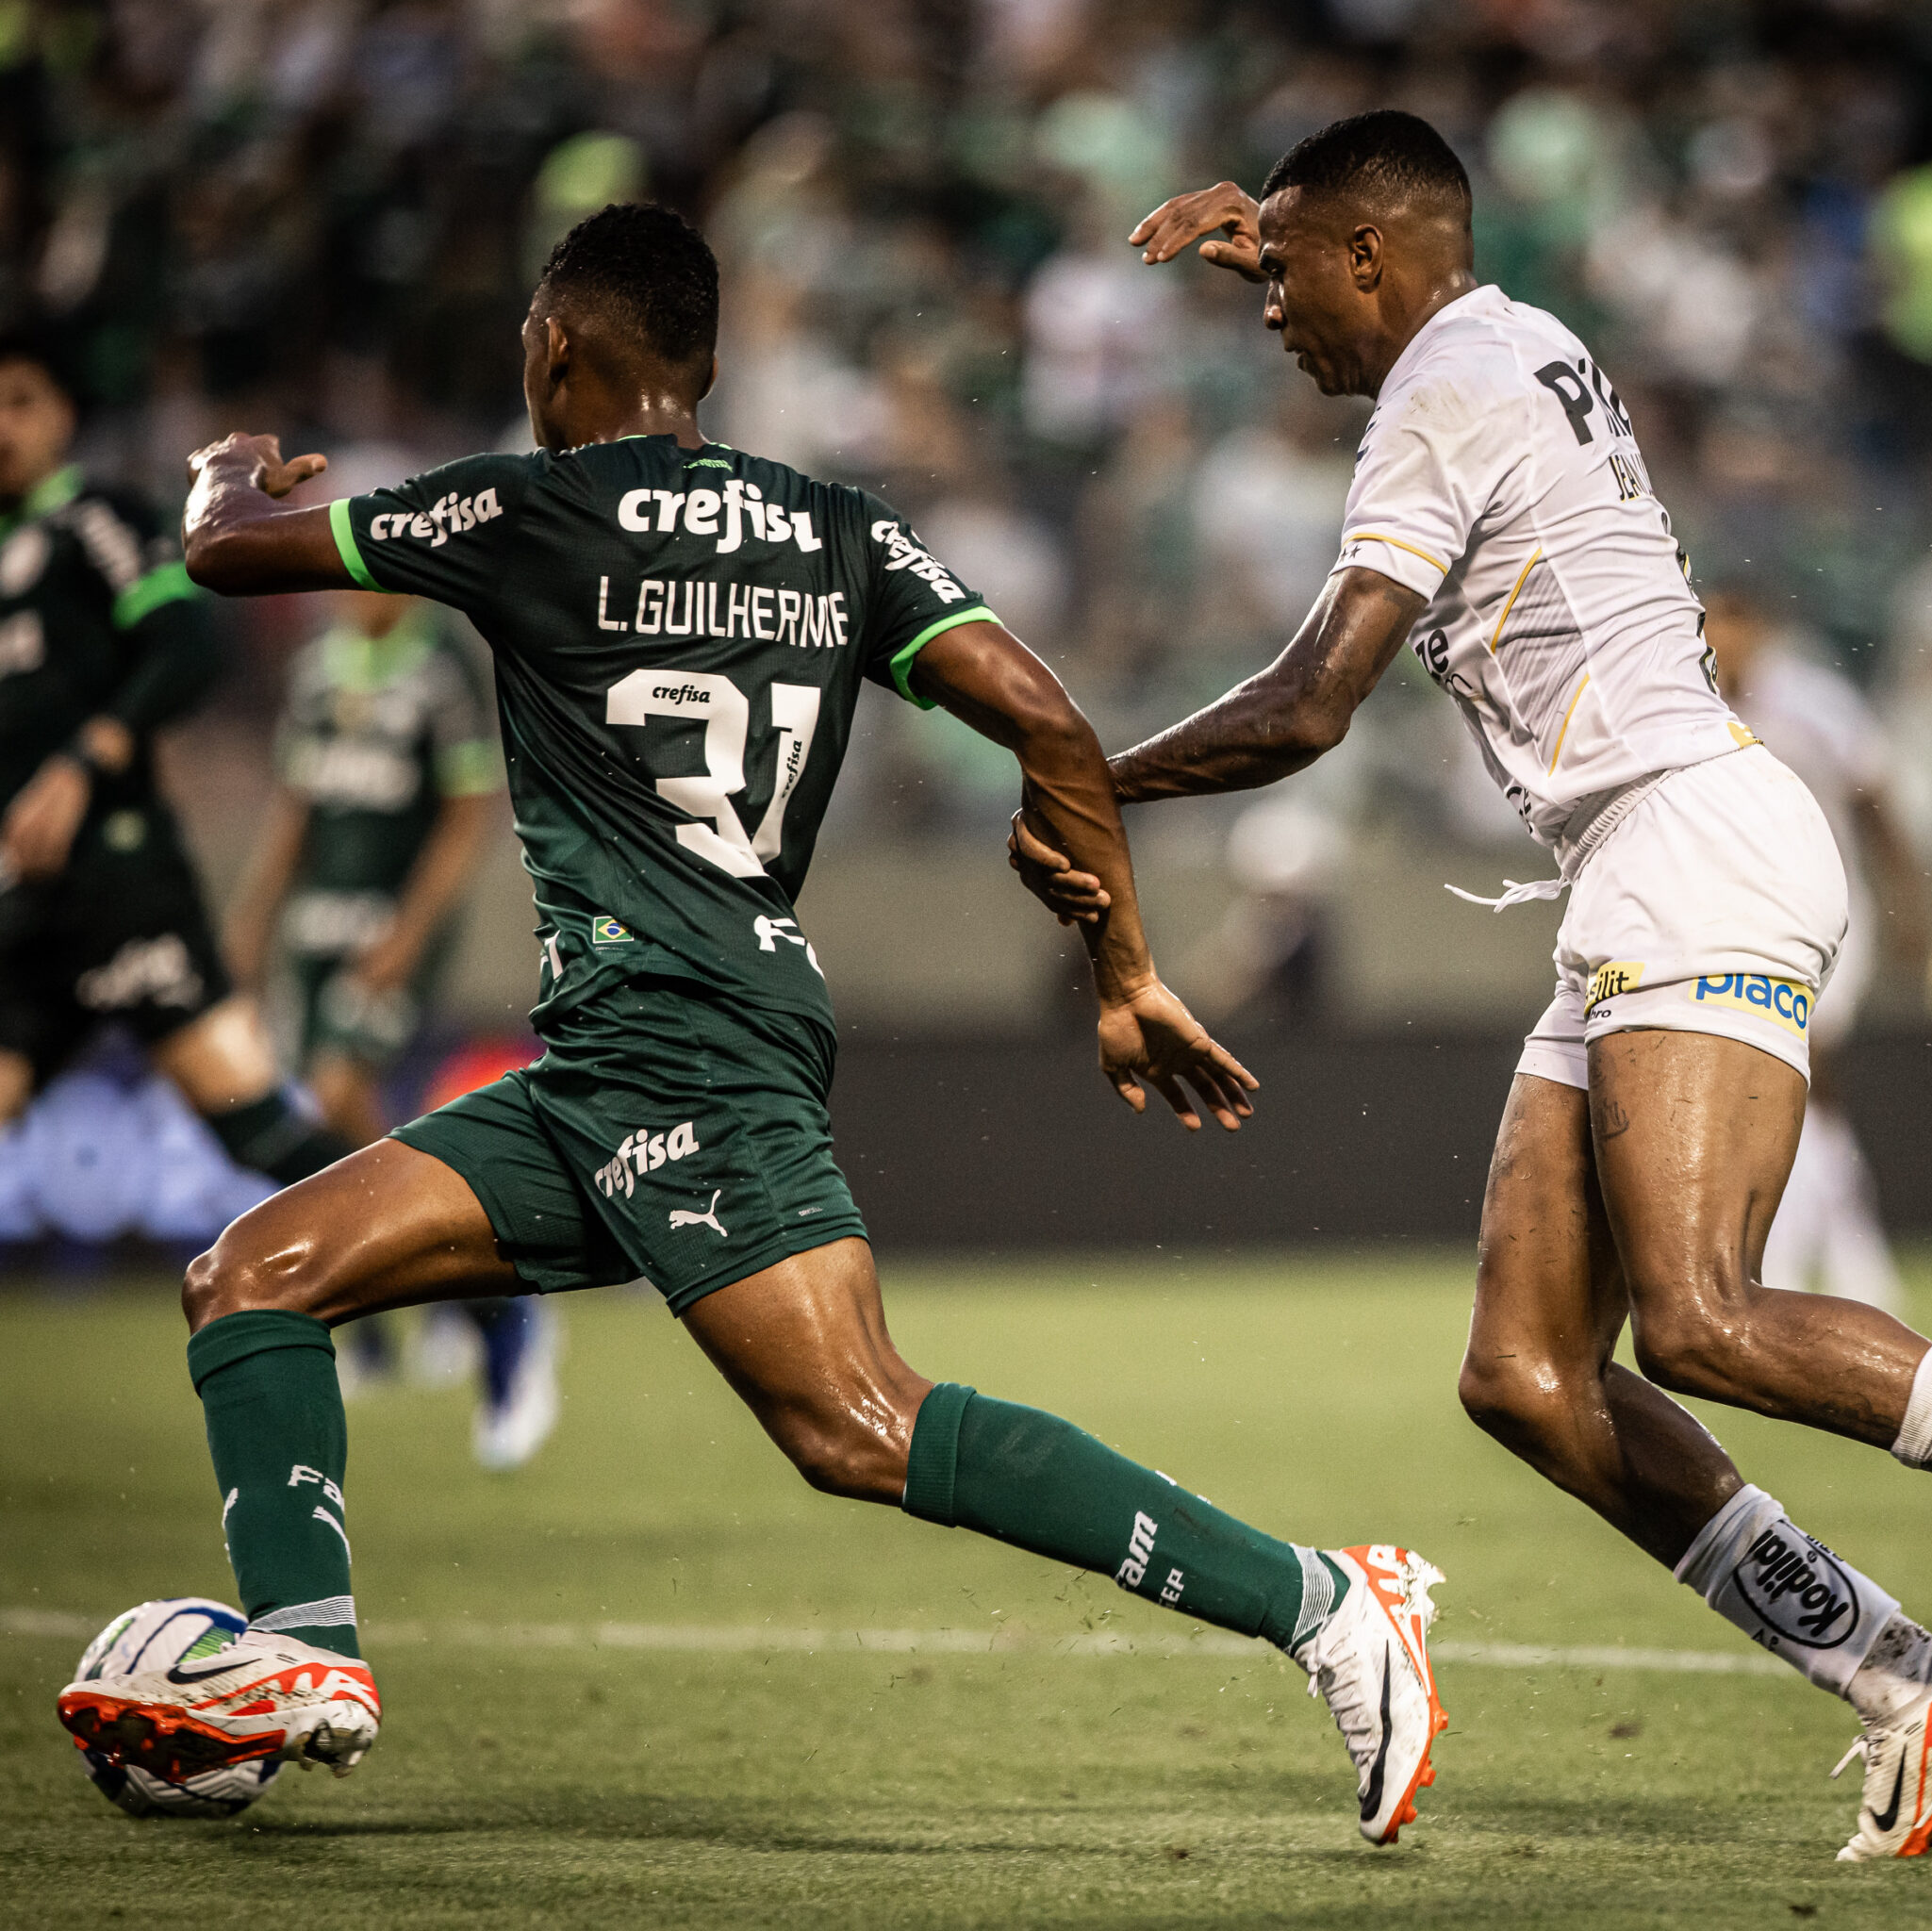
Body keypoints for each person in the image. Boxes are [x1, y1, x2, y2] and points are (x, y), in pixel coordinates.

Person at [56, 204, 1448, 1849]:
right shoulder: (838, 529)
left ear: (555, 352)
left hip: (690, 1042)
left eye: (528, 349)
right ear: (704, 369)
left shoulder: (523, 505)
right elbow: (1051, 721)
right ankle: (309, 1654)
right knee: (256, 1272)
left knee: (855, 1417)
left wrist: (231, 472)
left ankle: (1325, 1600)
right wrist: (1125, 968)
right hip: (618, 1056)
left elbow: (220, 553)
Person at [1011, 111, 1932, 1860]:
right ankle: (1901, 1676)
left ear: (1374, 260)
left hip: (1691, 839)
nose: (1266, 312)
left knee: (1700, 1314)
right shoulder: (1508, 330)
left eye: (1293, 274)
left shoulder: (1437, 391)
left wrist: (1084, 770)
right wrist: (1285, 239)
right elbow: (1391, 270)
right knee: (1529, 1371)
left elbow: (1313, 701)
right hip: (1640, 858)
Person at [0, 336, 352, 1196]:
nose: (0, 426)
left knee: (258, 1130)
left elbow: (189, 642)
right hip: (24, 905)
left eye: (20, 401)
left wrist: (85, 759)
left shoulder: (95, 518)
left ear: (64, 417)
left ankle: (478, 1297)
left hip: (124, 884)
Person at [221, 578, 558, 1468]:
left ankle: (489, 1305)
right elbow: (297, 802)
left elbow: (467, 809)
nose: (334, 594)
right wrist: (254, 915)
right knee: (326, 1114)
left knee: (340, 1091)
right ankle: (399, 1307)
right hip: (315, 926)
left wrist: (411, 931)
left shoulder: (439, 660)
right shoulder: (316, 669)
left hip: (389, 923)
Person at [1700, 581, 1921, 1315]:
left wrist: (1909, 903)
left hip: (1833, 914)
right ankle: (1847, 1253)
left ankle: (1810, 1261)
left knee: (1809, 1070)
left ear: (1760, 627)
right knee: (1778, 1087)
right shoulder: (1685, 703)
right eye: (1712, 621)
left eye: (1734, 620)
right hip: (1738, 922)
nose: (1722, 636)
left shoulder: (1815, 703)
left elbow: (1874, 799)